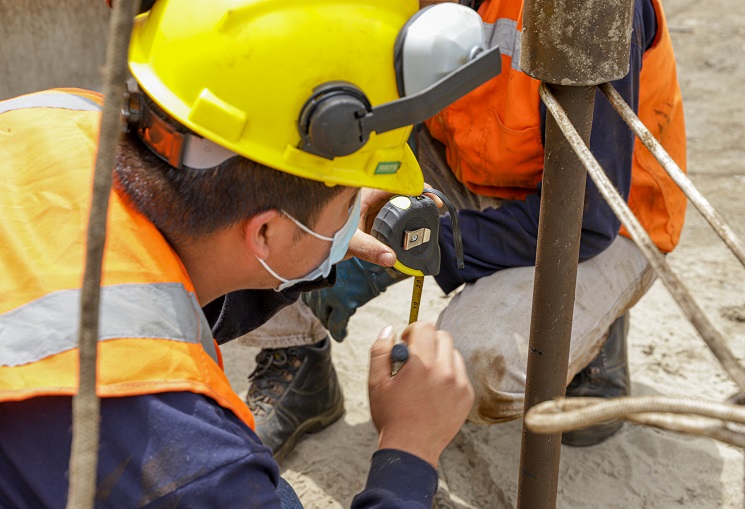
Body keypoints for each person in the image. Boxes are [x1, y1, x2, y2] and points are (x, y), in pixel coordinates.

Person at [0, 1, 478, 509]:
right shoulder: (188, 460)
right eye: (348, 202)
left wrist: (315, 243)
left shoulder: (56, 114)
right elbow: (202, 474)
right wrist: (408, 450)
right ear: (265, 232)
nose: (353, 212)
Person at [242, 0, 687, 458]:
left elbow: (587, 221)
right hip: (466, 163)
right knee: (285, 170)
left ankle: (596, 338)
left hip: (607, 218)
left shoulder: (588, 8)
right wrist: (358, 196)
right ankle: (296, 355)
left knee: (475, 367)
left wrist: (436, 237)